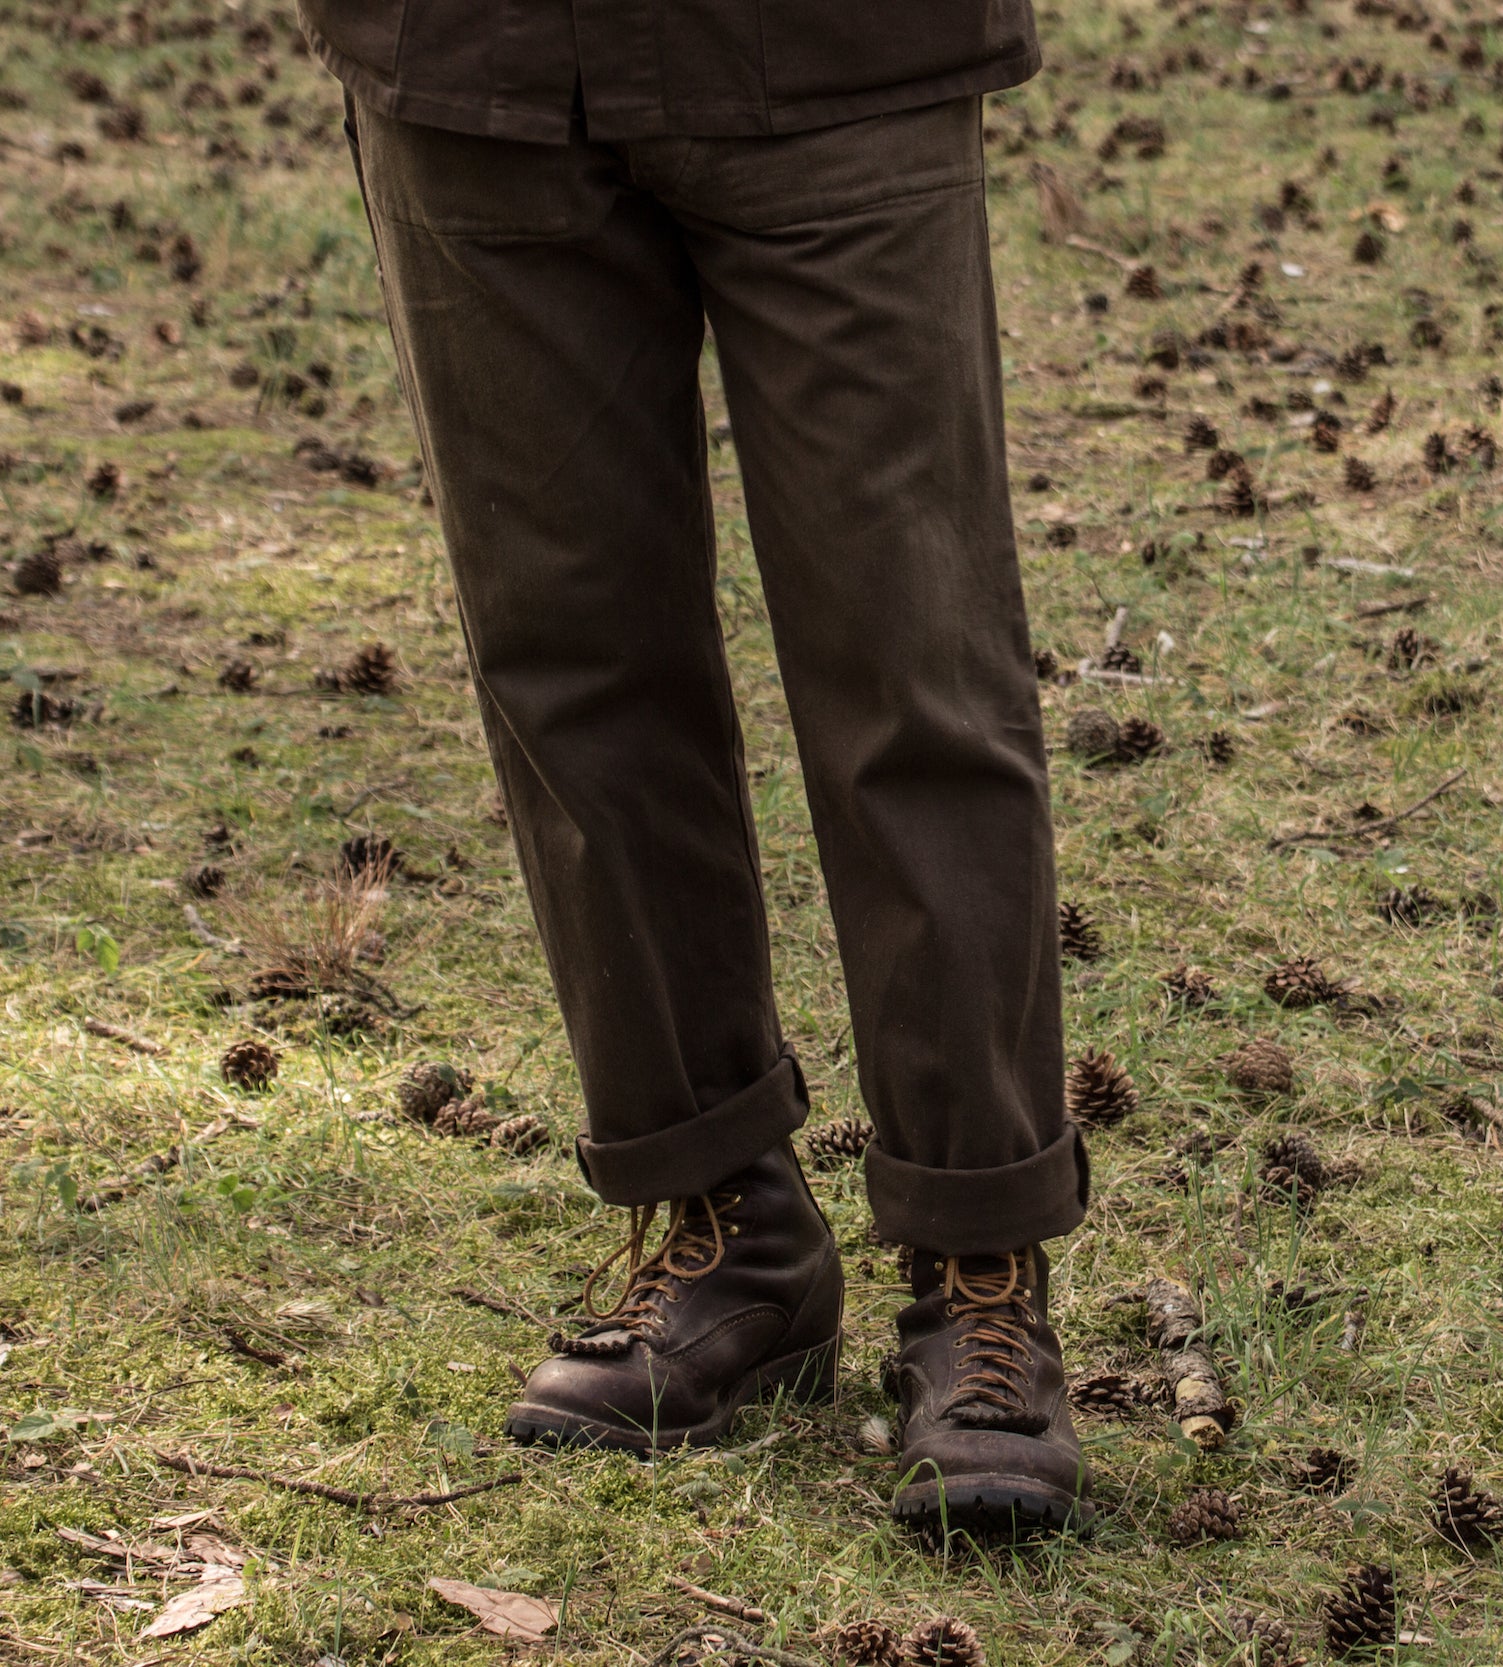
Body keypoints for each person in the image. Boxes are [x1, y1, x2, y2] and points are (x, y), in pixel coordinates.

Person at [295, 0, 1092, 1533]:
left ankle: (977, 1267)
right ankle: (728, 1224)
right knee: (569, 647)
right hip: (476, 51)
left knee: (916, 658)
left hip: (841, 52)